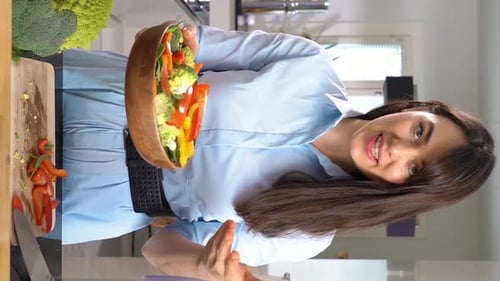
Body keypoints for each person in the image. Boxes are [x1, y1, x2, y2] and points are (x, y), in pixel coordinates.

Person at [53, 22, 495, 281]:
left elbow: (160, 247)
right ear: (416, 109)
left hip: (88, 195)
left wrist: (203, 267)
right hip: (93, 90)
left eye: (413, 170)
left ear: (404, 192)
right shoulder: (309, 66)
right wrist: (181, 45)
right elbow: (190, 40)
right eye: (420, 131)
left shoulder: (308, 233)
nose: (397, 149)